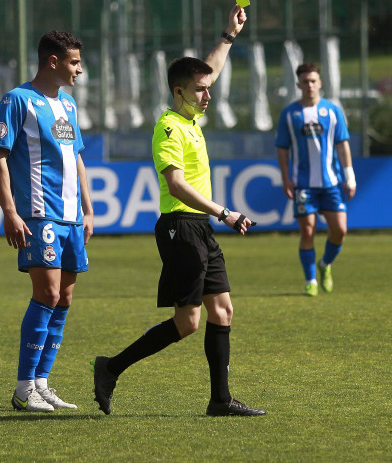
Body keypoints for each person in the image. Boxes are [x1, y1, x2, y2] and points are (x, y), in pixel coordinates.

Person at [91, 3, 264, 418]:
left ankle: (220, 400)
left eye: (209, 88)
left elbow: (209, 69)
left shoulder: (190, 117)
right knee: (187, 323)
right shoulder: (169, 126)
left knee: (222, 310)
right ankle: (110, 368)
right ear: (178, 93)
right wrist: (225, 212)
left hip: (201, 227)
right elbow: (176, 185)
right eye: (201, 90)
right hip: (181, 227)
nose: (209, 94)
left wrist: (229, 35)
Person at [0, 31, 93, 412]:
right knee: (46, 294)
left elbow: (77, 157)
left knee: (64, 296)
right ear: (53, 61)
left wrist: (88, 208)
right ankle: (23, 387)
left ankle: (41, 382)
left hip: (70, 218)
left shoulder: (68, 106)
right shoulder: (18, 100)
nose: (80, 69)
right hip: (38, 212)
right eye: (74, 62)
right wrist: (10, 211)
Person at [275, 62, 356, 297]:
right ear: (298, 84)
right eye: (305, 81)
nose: (309, 85)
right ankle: (310, 280)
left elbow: (342, 145)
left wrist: (349, 177)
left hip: (331, 182)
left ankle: (325, 265)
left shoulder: (333, 111)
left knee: (340, 230)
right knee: (307, 231)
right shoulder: (290, 114)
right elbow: (282, 148)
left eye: (313, 81)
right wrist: (286, 177)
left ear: (320, 83)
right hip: (303, 184)